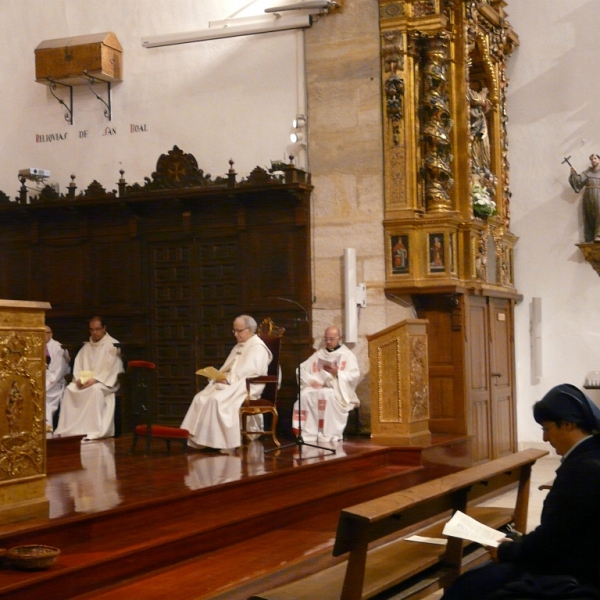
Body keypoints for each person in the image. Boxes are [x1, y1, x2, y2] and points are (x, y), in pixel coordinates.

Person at [441, 383, 600, 600]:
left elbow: (553, 542)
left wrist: (508, 550)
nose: (545, 438)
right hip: (580, 561)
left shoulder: (582, 470)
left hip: (577, 575)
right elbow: (562, 531)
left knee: (470, 586)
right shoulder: (591, 456)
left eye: (546, 429)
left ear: (567, 425)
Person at [181, 315, 272, 451]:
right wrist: (218, 376)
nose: (236, 334)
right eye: (234, 331)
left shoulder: (258, 347)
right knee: (200, 398)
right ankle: (199, 439)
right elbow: (228, 366)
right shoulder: (239, 346)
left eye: (239, 331)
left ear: (250, 330)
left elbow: (251, 371)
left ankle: (218, 442)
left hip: (248, 384)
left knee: (216, 401)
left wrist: (228, 379)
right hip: (233, 382)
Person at [54, 317, 123, 441]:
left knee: (94, 391)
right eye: (92, 330)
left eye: (97, 329)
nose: (94, 333)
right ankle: (69, 429)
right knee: (70, 389)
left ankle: (92, 429)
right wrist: (79, 379)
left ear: (104, 328)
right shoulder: (87, 346)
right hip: (86, 381)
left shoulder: (112, 344)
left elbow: (111, 368)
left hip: (104, 382)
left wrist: (95, 380)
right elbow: (79, 365)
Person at [292, 326, 360, 442]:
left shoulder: (347, 355)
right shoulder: (319, 354)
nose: (328, 342)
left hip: (337, 389)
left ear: (339, 338)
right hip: (317, 387)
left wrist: (337, 373)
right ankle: (308, 434)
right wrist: (311, 380)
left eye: (331, 339)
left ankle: (328, 434)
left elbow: (354, 375)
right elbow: (300, 369)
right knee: (304, 395)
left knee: (328, 395)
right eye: (326, 339)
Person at [569, 154, 600, 242]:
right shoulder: (587, 173)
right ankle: (589, 238)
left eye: (595, 158)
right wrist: (573, 174)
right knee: (588, 215)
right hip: (588, 197)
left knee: (599, 214)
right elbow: (578, 183)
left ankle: (598, 235)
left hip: (599, 195)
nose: (593, 160)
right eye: (591, 159)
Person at [44, 325, 70, 431]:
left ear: (51, 334)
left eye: (45, 333)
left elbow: (57, 372)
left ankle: (47, 428)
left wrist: (43, 387)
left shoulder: (58, 348)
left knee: (42, 399)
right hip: (40, 381)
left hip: (54, 384)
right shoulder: (35, 345)